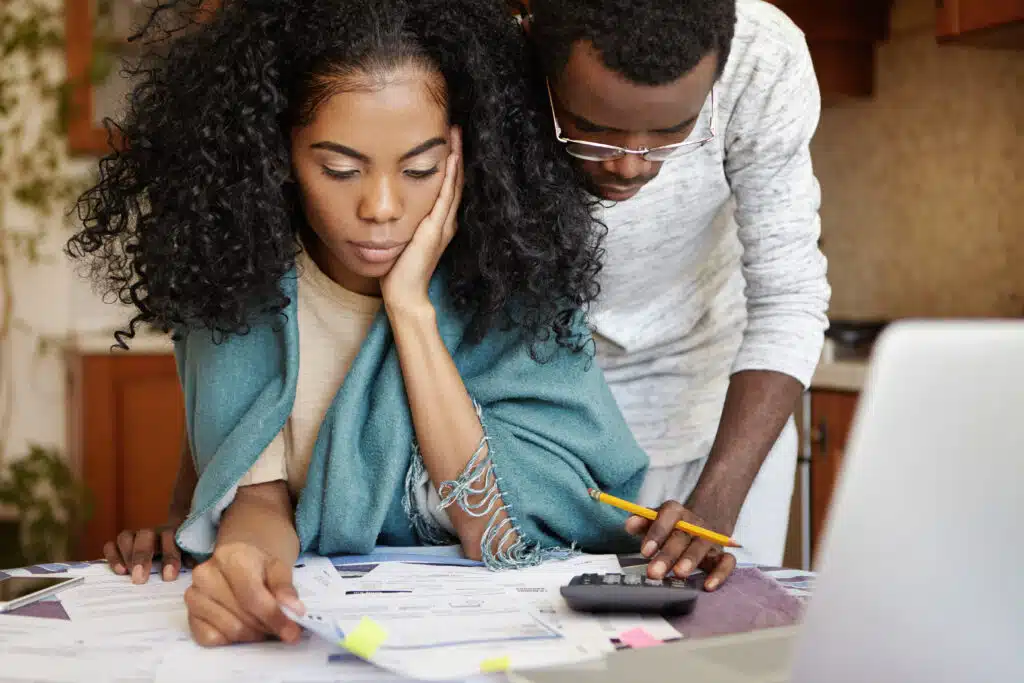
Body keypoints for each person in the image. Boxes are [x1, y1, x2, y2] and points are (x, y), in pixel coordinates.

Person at [68, 0, 738, 647]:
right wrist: (243, 568)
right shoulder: (238, 288)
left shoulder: (513, 289)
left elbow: (497, 534)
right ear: (276, 151)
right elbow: (259, 498)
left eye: (420, 169)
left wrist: (410, 308)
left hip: (499, 642)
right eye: (338, 167)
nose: (381, 206)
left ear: (470, 153)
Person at [522, 0, 831, 576]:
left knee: (712, 658)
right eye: (593, 129)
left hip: (717, 422)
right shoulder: (495, 52)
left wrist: (716, 504)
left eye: (671, 132)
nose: (631, 165)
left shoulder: (760, 58)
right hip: (536, 427)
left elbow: (788, 296)